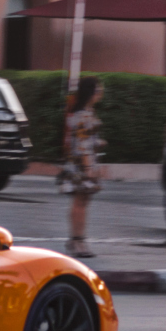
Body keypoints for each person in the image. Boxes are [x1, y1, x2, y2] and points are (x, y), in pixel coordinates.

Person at [62, 76, 104, 258]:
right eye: (98, 90)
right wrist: (89, 169)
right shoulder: (84, 115)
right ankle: (77, 240)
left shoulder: (84, 112)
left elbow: (83, 140)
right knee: (80, 203)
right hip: (82, 165)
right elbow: (82, 144)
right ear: (91, 93)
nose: (100, 94)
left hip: (82, 162)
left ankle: (76, 240)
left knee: (82, 202)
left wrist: (99, 143)